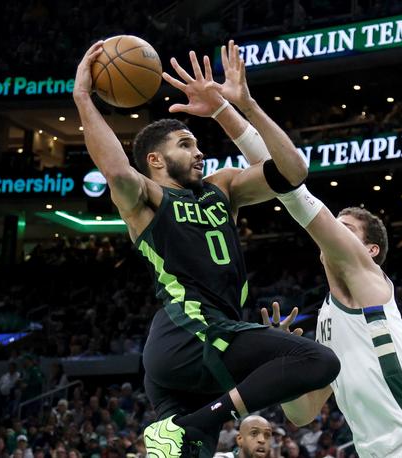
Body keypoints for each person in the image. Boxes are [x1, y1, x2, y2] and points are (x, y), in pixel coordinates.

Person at [73, 40, 339, 458]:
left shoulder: (223, 188)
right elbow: (116, 170)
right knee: (320, 362)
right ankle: (200, 420)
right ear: (156, 161)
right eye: (185, 145)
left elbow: (294, 171)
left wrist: (243, 106)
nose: (199, 152)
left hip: (195, 356)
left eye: (197, 144)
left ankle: (186, 426)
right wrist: (83, 97)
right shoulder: (147, 201)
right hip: (192, 334)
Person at [236, 110, 402, 456]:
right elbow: (302, 414)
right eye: (335, 225)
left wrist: (235, 110)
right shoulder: (329, 323)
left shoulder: (369, 282)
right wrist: (279, 362)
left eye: (347, 229)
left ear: (370, 250)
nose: (335, 232)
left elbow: (291, 189)